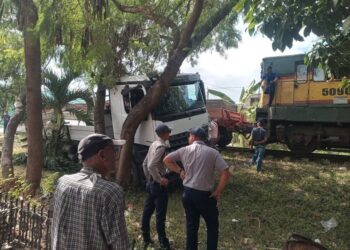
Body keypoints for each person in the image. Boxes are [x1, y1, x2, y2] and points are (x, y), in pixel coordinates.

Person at [51, 133, 129, 250]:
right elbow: (120, 244)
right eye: (114, 151)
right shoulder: (110, 192)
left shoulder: (62, 182)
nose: (116, 156)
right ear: (102, 155)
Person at [163, 127, 231, 250]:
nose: (188, 138)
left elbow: (166, 160)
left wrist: (180, 171)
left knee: (191, 226)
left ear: (193, 137)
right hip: (204, 195)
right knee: (212, 226)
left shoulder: (184, 150)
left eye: (189, 136)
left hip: (187, 194)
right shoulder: (213, 152)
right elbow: (226, 173)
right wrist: (217, 192)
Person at [141, 124, 172, 250]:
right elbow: (151, 165)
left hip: (150, 184)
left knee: (147, 212)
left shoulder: (153, 144)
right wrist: (160, 179)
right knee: (160, 215)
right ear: (164, 134)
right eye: (168, 132)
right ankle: (163, 243)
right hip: (158, 186)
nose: (169, 134)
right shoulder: (161, 146)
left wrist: (149, 179)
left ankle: (146, 238)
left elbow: (144, 163)